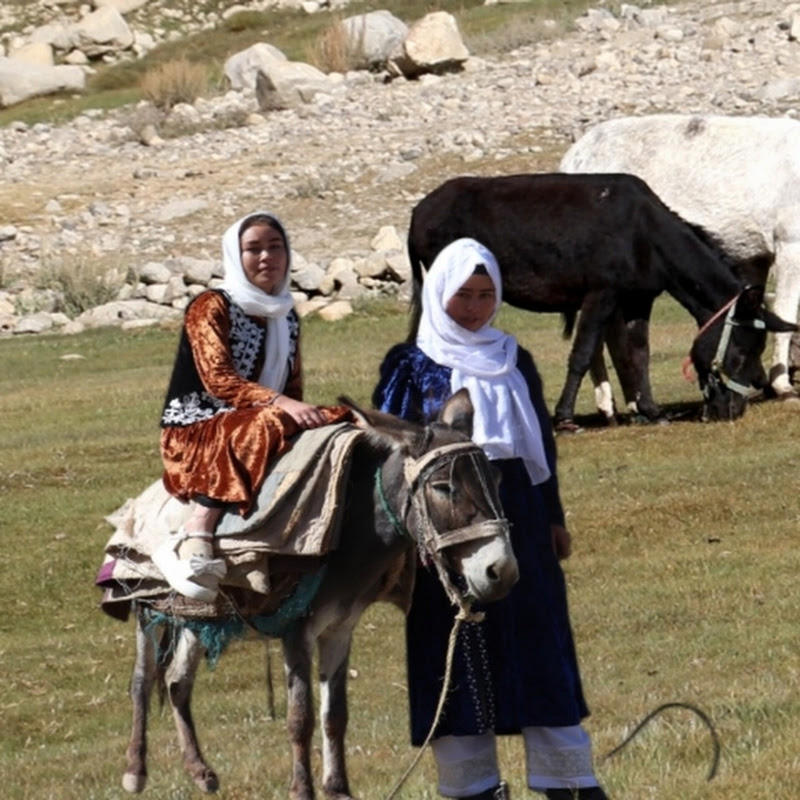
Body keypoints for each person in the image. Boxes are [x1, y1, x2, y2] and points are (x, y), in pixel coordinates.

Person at [372, 238, 608, 800]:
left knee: (538, 637)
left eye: (486, 295)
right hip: (446, 523)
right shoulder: (410, 363)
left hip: (518, 513)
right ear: (438, 294)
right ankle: (472, 784)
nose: (475, 308)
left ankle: (567, 779)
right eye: (463, 295)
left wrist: (552, 517)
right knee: (453, 643)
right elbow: (388, 450)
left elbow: (539, 447)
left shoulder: (513, 357)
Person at [153, 211, 350, 602]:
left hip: (262, 415)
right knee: (266, 420)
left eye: (275, 248)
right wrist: (281, 405)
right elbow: (219, 381)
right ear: (235, 256)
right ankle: (199, 530)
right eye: (253, 249)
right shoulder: (210, 307)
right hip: (196, 427)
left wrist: (300, 412)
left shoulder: (286, 315)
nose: (266, 258)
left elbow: (291, 385)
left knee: (343, 419)